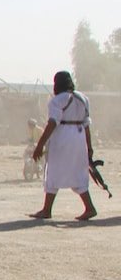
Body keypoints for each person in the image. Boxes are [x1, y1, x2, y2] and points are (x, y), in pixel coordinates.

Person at [30, 71, 96, 220]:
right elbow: (86, 125)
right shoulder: (83, 98)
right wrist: (89, 147)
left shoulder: (57, 100)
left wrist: (40, 145)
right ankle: (89, 207)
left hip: (63, 138)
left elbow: (53, 122)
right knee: (78, 172)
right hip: (79, 138)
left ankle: (47, 210)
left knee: (53, 170)